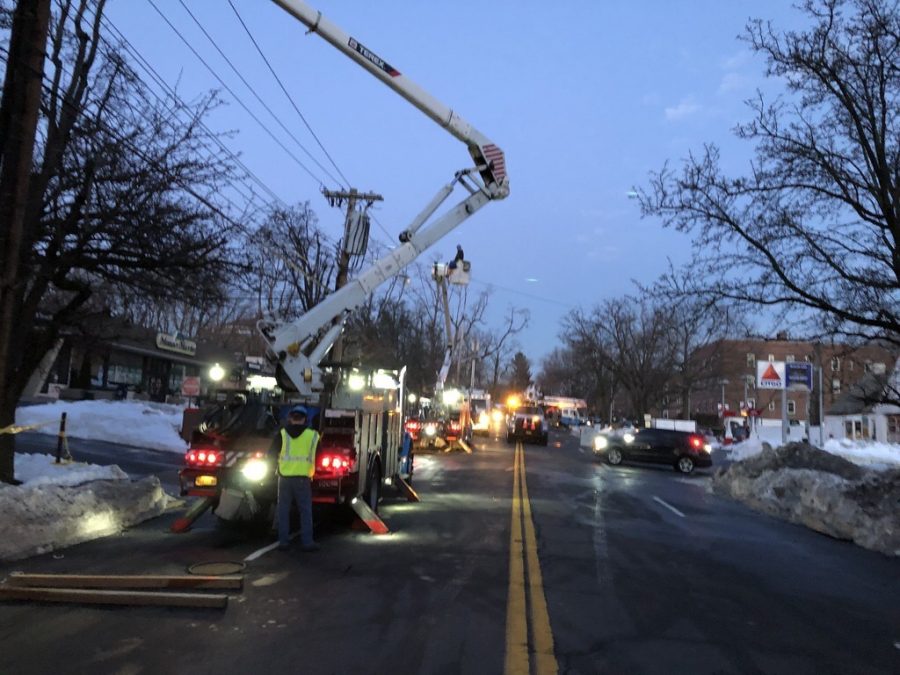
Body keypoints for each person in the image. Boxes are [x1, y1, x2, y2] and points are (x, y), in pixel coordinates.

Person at [271, 405, 320, 552]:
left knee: (283, 510)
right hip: (302, 479)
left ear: (290, 418)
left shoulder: (282, 434)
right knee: (305, 511)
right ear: (305, 419)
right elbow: (319, 454)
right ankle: (307, 542)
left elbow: (272, 453)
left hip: (284, 478)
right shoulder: (313, 436)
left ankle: (283, 542)